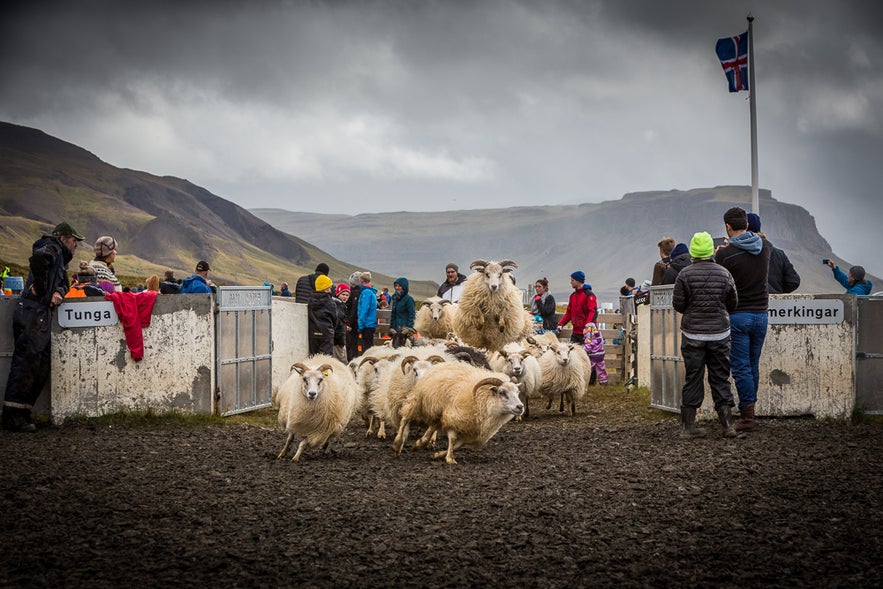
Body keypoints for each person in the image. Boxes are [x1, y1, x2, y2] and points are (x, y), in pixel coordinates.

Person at [3, 222, 84, 432]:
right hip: (33, 311)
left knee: (38, 365)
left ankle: (22, 412)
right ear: (64, 238)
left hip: (39, 313)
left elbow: (62, 282)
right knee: (27, 363)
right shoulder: (52, 247)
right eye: (74, 240)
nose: (76, 245)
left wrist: (58, 290)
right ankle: (13, 416)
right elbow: (39, 259)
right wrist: (40, 288)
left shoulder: (59, 259)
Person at [673, 231, 739, 438]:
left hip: (693, 334)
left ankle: (688, 427)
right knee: (720, 377)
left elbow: (679, 305)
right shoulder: (724, 273)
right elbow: (733, 303)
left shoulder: (684, 274)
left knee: (693, 377)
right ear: (711, 250)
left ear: (693, 251)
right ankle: (727, 425)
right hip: (719, 334)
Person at [715, 207, 771, 432]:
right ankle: (751, 410)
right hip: (762, 314)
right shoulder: (765, 247)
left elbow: (721, 282)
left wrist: (723, 251)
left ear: (728, 227)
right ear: (746, 225)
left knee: (740, 367)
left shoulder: (725, 255)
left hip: (738, 315)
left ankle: (747, 417)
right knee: (753, 364)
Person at [747, 213, 800, 294]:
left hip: (750, 303)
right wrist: (776, 291)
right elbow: (793, 281)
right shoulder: (779, 254)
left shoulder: (738, 252)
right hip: (776, 304)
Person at [557, 271, 597, 345]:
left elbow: (592, 312)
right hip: (576, 331)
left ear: (578, 281)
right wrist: (561, 323)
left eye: (572, 280)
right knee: (573, 352)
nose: (570, 282)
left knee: (588, 353)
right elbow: (569, 312)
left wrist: (587, 327)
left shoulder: (589, 295)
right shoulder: (573, 296)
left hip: (588, 332)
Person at [308, 274, 338, 356]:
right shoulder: (330, 302)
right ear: (327, 288)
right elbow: (335, 319)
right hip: (326, 333)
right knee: (326, 358)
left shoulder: (311, 301)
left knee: (314, 357)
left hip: (313, 333)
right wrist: (332, 329)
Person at [388, 277, 416, 348]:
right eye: (396, 286)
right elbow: (393, 314)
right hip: (396, 330)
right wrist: (391, 327)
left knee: (405, 348)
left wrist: (409, 328)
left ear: (404, 287)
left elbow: (412, 315)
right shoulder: (394, 298)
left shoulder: (409, 299)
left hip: (405, 331)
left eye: (400, 286)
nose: (397, 288)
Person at [357, 272, 378, 354]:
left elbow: (364, 310)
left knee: (366, 348)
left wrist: (360, 325)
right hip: (370, 324)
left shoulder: (366, 292)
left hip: (367, 324)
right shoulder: (371, 291)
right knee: (368, 345)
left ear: (361, 280)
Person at [345, 271, 363, 360]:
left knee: (352, 344)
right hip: (355, 322)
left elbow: (354, 309)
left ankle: (352, 360)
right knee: (353, 344)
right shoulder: (355, 291)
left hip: (354, 323)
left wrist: (350, 324)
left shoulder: (356, 292)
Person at [332, 283, 350, 363]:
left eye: (347, 295)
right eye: (343, 294)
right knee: (341, 361)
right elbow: (337, 322)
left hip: (339, 338)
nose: (345, 297)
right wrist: (340, 340)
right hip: (337, 340)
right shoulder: (337, 305)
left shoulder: (341, 305)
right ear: (338, 293)